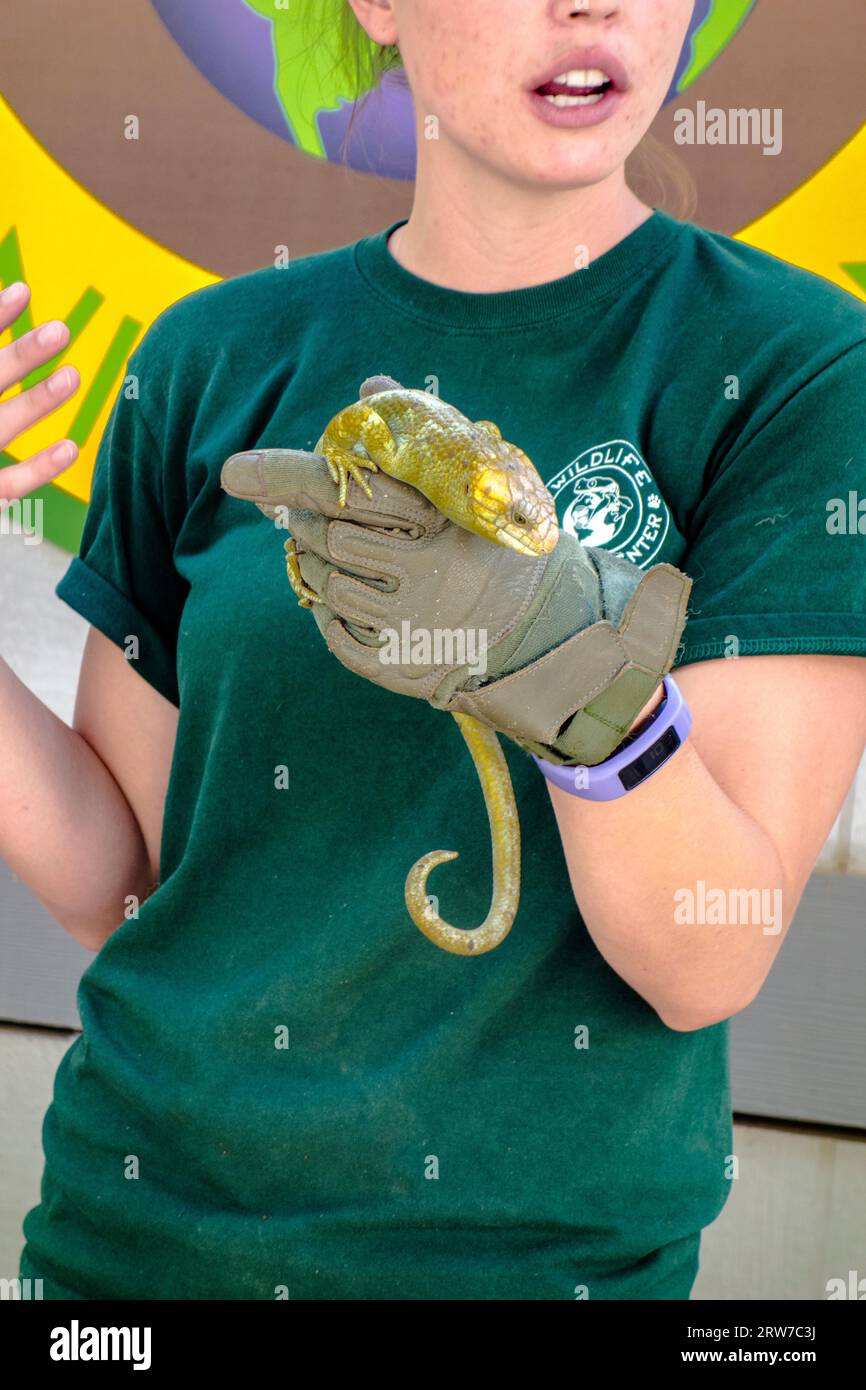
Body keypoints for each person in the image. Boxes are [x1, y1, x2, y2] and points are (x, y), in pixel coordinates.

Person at [9, 0, 866, 1300]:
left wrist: (567, 671)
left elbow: (707, 958)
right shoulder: (206, 354)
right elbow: (122, 882)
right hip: (128, 1255)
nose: (594, 6)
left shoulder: (796, 369)